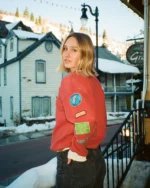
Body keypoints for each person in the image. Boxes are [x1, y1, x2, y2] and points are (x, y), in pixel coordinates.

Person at [50, 32, 107, 188]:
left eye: (74, 50)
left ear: (85, 54)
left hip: (77, 162)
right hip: (95, 158)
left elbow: (86, 121)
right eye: (65, 49)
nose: (66, 54)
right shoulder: (93, 81)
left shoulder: (71, 81)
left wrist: (77, 149)